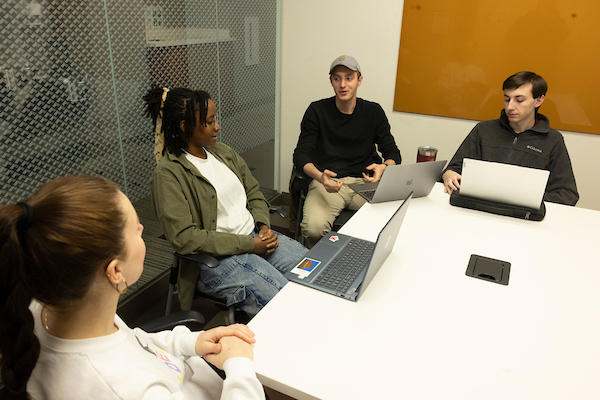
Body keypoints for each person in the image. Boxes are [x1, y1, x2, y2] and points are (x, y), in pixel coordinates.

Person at [0, 175, 265, 399]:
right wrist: (240, 367)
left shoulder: (58, 307)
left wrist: (188, 341)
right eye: (136, 231)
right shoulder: (130, 390)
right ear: (115, 271)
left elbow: (135, 342)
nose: (142, 227)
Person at [146, 87, 307, 318]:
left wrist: (263, 226)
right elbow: (185, 238)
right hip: (215, 260)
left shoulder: (223, 153)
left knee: (318, 273)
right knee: (288, 305)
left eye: (216, 119)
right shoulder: (168, 175)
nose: (217, 126)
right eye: (210, 121)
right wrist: (250, 245)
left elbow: (253, 191)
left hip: (254, 238)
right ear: (186, 126)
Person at [293, 55, 402, 247]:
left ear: (359, 80)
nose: (343, 84)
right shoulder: (317, 111)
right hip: (328, 183)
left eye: (349, 78)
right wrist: (320, 177)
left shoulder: (373, 112)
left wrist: (383, 168)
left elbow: (393, 153)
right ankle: (320, 268)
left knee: (393, 221)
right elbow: (300, 155)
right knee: (313, 228)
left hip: (364, 183)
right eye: (337, 78)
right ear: (331, 81)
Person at [442, 71, 579, 206]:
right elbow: (455, 168)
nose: (510, 106)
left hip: (524, 217)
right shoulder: (483, 130)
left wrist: (527, 198)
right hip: (479, 208)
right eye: (507, 99)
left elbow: (567, 194)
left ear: (538, 100)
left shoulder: (552, 140)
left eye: (519, 100)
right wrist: (448, 174)